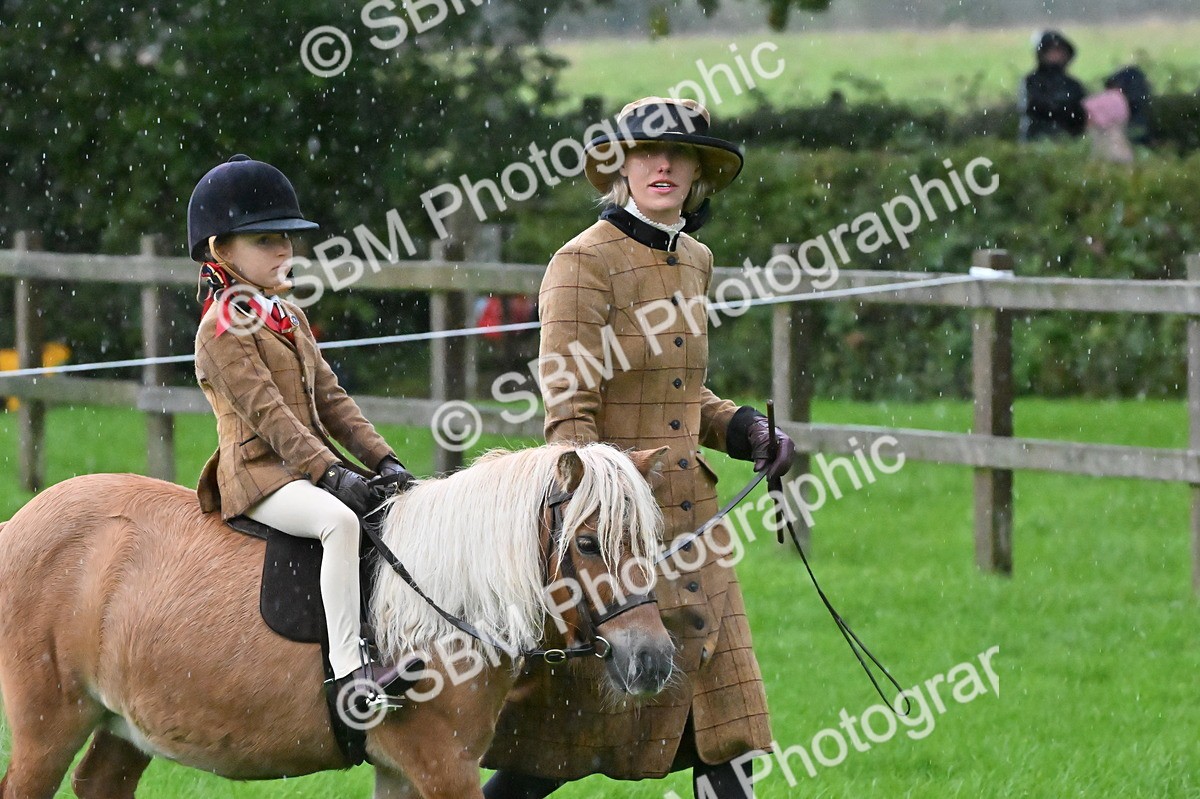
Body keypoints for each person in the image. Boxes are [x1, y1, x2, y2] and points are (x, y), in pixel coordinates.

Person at [481, 97, 796, 799]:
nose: (662, 163)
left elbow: (686, 397)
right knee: (548, 750)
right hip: (615, 544)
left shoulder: (697, 259)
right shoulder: (580, 264)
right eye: (647, 150)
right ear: (620, 166)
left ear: (697, 174)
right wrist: (608, 521)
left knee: (725, 728)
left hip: (697, 533)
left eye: (678, 153)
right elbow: (568, 422)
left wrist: (748, 430)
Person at [188, 154, 413, 705]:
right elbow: (270, 415)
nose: (285, 249)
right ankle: (349, 672)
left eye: (286, 236)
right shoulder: (222, 329)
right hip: (260, 478)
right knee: (338, 523)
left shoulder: (286, 316)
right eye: (265, 239)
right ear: (221, 250)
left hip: (306, 469)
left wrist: (384, 461)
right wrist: (332, 474)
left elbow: (334, 401)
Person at [1020, 29, 1087, 142]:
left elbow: (1080, 113)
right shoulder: (1031, 81)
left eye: (1060, 52)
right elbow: (1033, 108)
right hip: (1037, 138)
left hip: (1070, 139)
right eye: (1052, 51)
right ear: (1042, 54)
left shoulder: (1073, 84)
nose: (1056, 56)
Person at [1083, 82, 1134, 164]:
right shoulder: (1118, 97)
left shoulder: (1098, 101)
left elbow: (1089, 112)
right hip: (1114, 121)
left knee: (1103, 144)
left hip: (1103, 123)